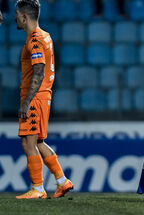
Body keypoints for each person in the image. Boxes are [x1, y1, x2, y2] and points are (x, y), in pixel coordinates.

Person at [14, 0, 73, 199]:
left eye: (17, 14)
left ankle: (38, 189)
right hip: (43, 96)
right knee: (38, 141)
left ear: (25, 17)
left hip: (36, 97)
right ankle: (62, 181)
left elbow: (38, 71)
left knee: (28, 143)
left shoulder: (35, 40)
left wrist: (27, 101)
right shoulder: (45, 36)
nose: (15, 18)